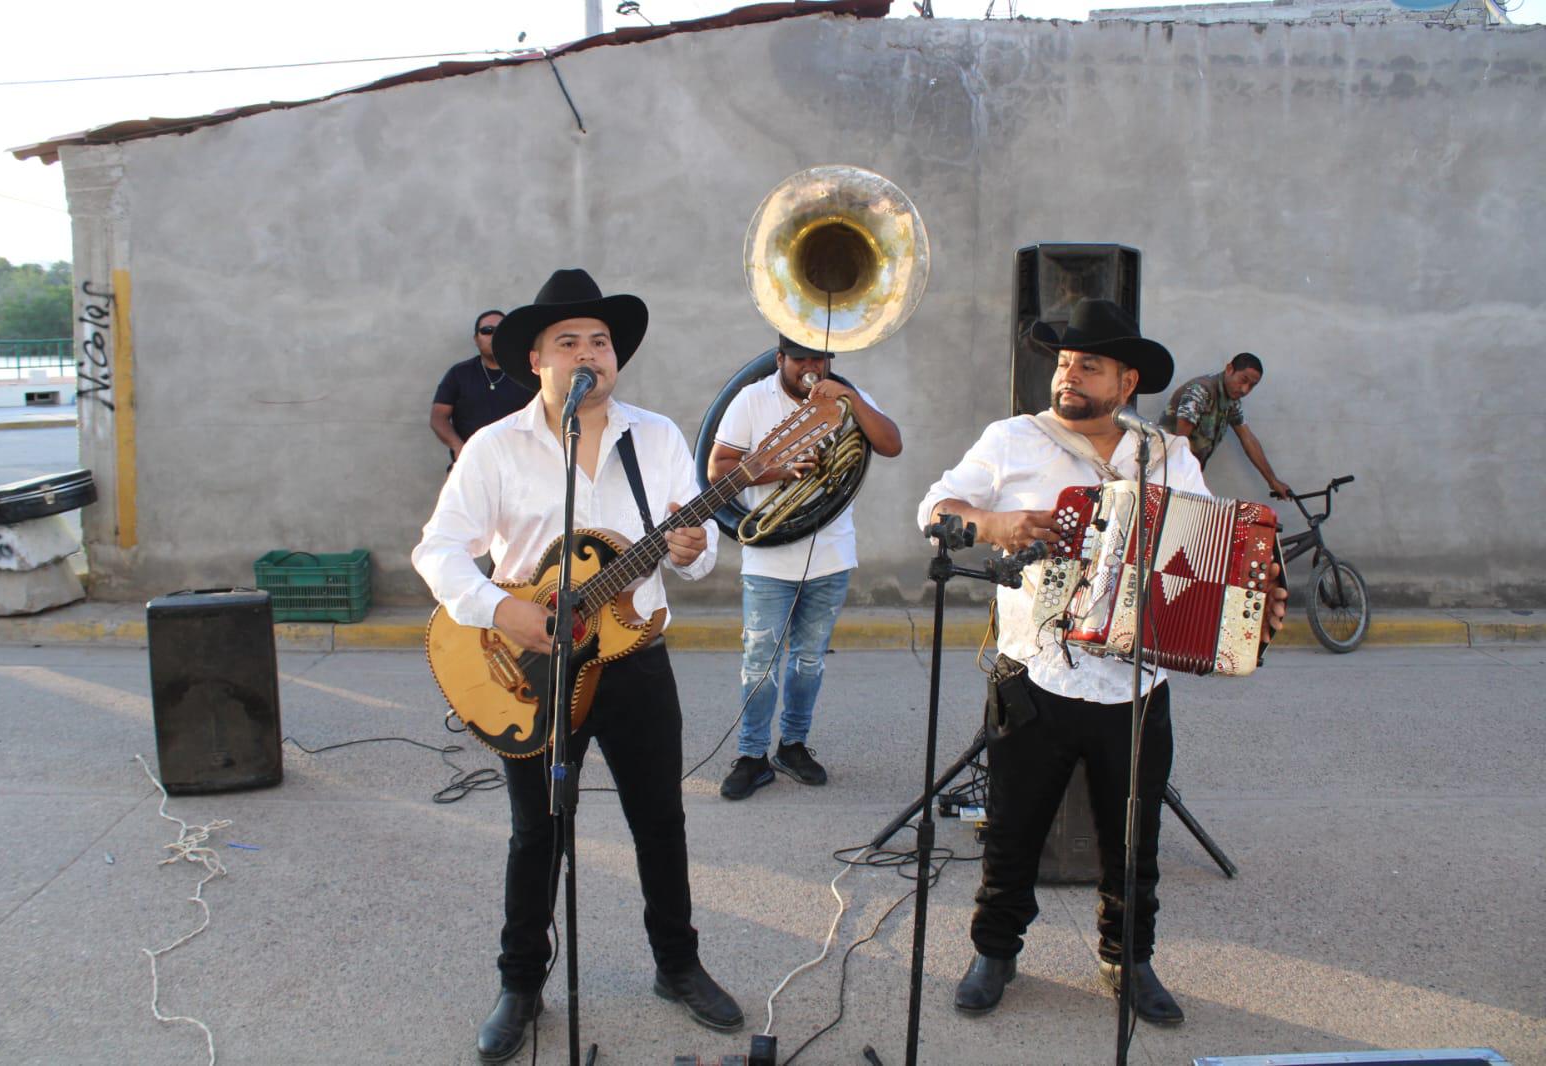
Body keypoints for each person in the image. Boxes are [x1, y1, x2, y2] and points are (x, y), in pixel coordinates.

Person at [916, 298, 1285, 1027]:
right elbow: (934, 509)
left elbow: (1215, 547)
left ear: (1126, 381)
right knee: (1014, 829)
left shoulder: (1166, 455)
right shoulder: (1013, 439)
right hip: (1035, 674)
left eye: (1088, 364)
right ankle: (995, 951)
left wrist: (1254, 600)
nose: (1068, 375)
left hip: (1137, 683)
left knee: (1134, 835)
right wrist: (990, 522)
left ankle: (1128, 958)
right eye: (1062, 362)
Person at [412, 269, 742, 1063]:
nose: (589, 352)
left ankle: (677, 964)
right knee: (537, 834)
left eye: (600, 340)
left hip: (635, 662)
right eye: (570, 342)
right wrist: (503, 610)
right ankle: (521, 982)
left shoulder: (656, 437)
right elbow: (438, 550)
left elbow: (691, 554)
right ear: (537, 360)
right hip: (532, 664)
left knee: (659, 821)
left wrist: (696, 545)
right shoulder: (495, 447)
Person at [706, 335, 902, 800]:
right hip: (769, 557)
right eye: (800, 359)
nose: (810, 367)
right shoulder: (752, 399)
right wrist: (780, 468)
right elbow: (719, 469)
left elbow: (891, 444)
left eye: (819, 358)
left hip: (832, 554)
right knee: (760, 665)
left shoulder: (843, 395)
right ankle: (752, 755)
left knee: (809, 661)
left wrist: (851, 399)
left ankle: (792, 746)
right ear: (780, 360)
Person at [1157, 352, 1291, 498]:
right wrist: (1184, 483)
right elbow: (1179, 444)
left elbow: (1247, 438)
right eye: (1243, 380)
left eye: (1252, 386)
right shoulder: (1201, 391)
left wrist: (1272, 481)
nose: (1245, 389)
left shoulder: (1231, 401)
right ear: (1229, 369)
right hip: (1166, 472)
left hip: (1184, 476)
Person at [430, 308, 535, 466]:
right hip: (470, 464)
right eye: (487, 331)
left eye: (500, 330)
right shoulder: (459, 374)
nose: (494, 335)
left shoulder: (528, 373)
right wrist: (458, 446)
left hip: (520, 466)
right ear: (476, 338)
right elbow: (438, 417)